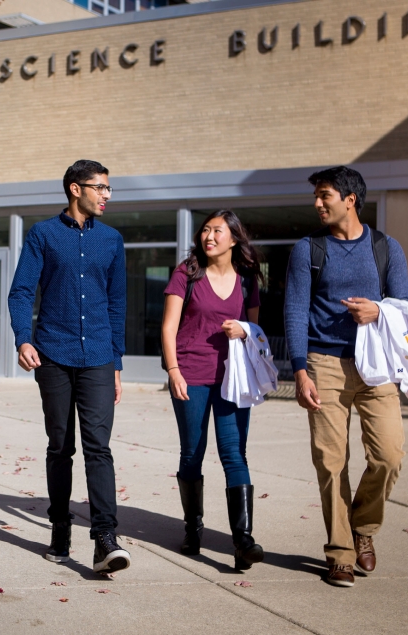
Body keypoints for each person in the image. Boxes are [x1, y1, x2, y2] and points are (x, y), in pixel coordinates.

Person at [284, 165, 408, 588]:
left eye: (325, 196)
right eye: (316, 197)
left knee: (389, 455)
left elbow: (405, 308)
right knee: (331, 461)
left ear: (350, 199)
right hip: (324, 362)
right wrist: (299, 370)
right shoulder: (308, 249)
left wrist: (380, 311)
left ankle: (363, 529)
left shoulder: (386, 248)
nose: (318, 204)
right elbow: (296, 310)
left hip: (376, 364)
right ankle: (340, 552)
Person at [7, 159, 132, 575]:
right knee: (60, 446)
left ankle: (104, 538)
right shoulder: (43, 234)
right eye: (100, 187)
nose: (107, 195)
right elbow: (21, 291)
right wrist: (24, 338)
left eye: (109, 188)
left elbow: (117, 306)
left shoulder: (112, 240)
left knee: (99, 447)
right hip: (54, 356)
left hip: (98, 356)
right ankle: (60, 528)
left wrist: (116, 362)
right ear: (76, 189)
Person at [161, 210, 265, 570]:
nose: (209, 236)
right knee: (192, 453)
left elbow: (256, 329)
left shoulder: (249, 279)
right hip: (190, 373)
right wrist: (173, 370)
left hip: (233, 378)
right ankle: (193, 528)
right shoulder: (187, 273)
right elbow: (168, 327)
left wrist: (244, 330)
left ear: (234, 238)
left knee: (234, 454)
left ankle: (243, 540)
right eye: (205, 230)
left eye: (217, 231)